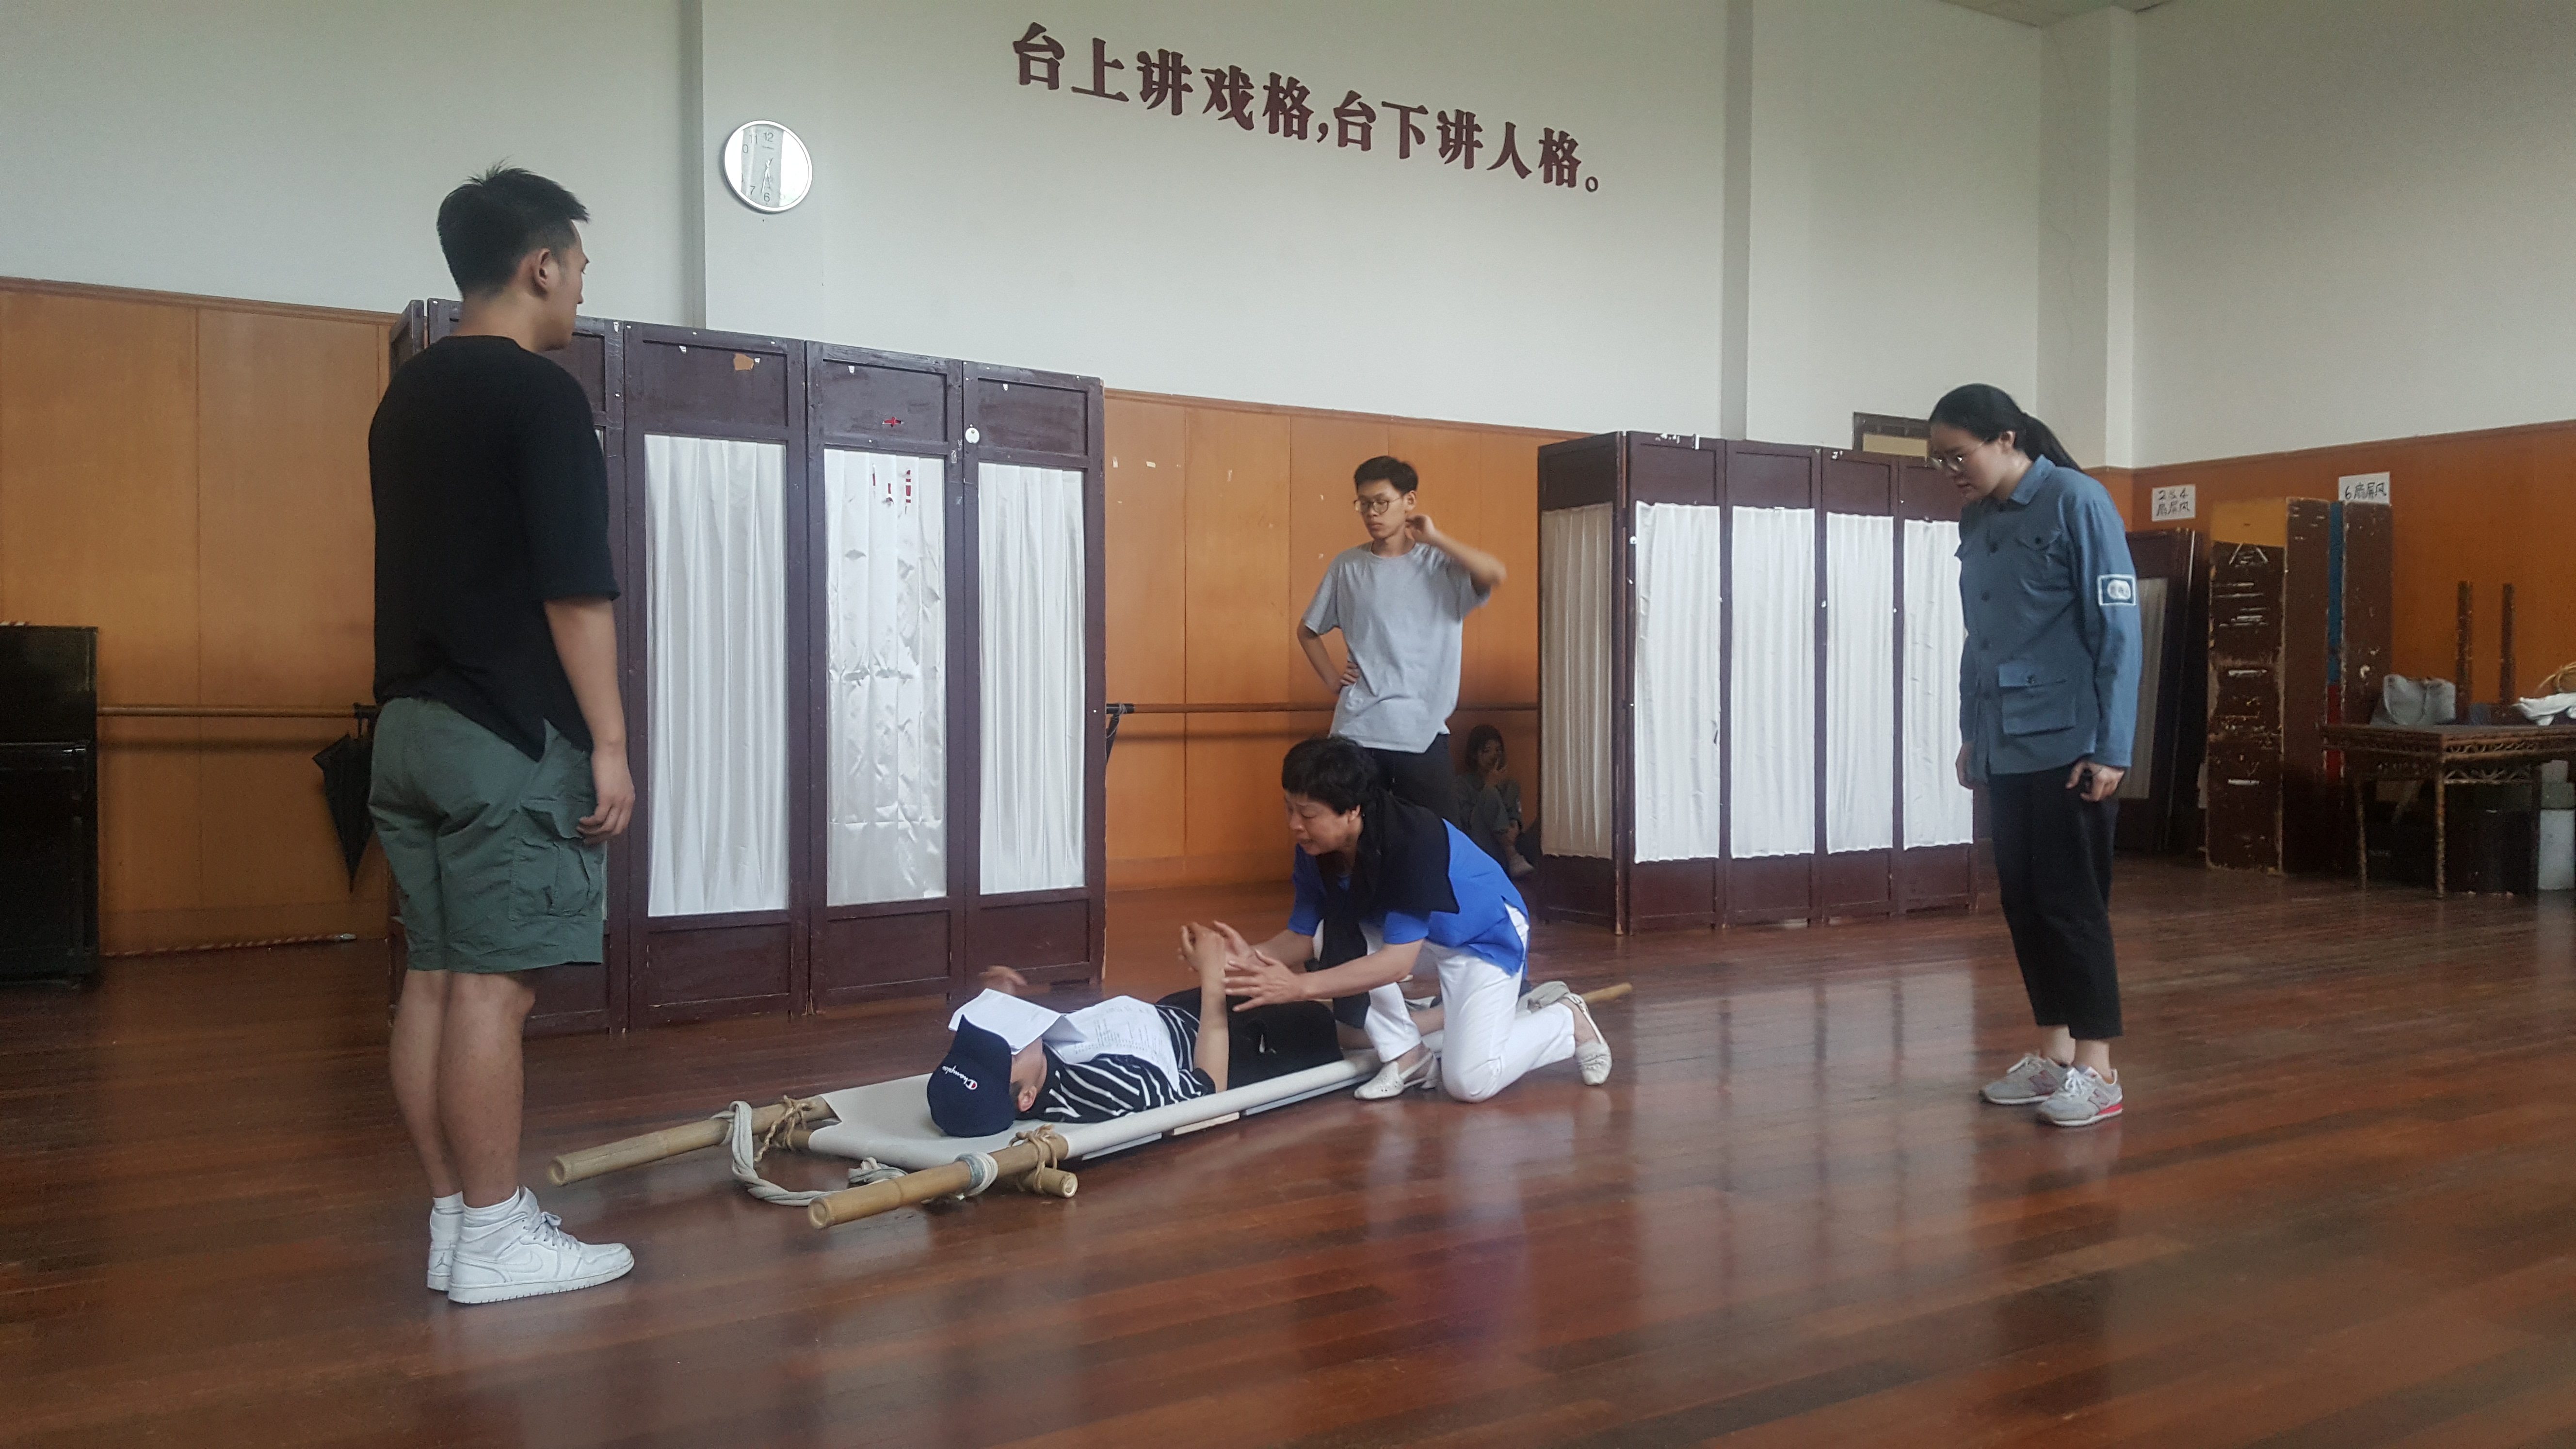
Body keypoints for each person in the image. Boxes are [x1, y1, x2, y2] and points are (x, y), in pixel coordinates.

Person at [370, 166, 635, 1304]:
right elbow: (574, 590)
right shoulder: (539, 396)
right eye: (577, 268)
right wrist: (609, 743)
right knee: (494, 992)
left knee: (433, 983)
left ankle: (455, 1221)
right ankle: (492, 1236)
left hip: (409, 728)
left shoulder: (407, 397)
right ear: (540, 264)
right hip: (504, 736)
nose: (579, 289)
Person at [1932, 383, 2141, 1129]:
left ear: (2007, 440)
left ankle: (2098, 1069)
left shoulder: (2078, 501)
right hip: (2006, 740)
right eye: (1939, 461)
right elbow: (1979, 638)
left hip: (2069, 743)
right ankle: (2054, 1056)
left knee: (2071, 906)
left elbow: (2118, 630)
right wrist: (1973, 731)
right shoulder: (1978, 517)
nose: (1951, 471)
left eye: (1959, 455)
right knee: (2024, 902)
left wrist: (2112, 748)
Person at [1222, 736, 1610, 1103]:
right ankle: (1409, 1057)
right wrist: (1241, 959)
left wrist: (1300, 987)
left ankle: (1566, 1019)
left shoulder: (1411, 840)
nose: (1294, 824)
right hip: (1419, 937)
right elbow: (1304, 936)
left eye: (1308, 814)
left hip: (1482, 936)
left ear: (1352, 810)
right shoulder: (1315, 849)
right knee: (1332, 933)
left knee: (1471, 1083)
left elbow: (1397, 964)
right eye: (1289, 808)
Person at [928, 935, 1342, 1136]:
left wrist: (1001, 995)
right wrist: (1213, 979)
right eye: (1012, 1049)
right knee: (1331, 1027)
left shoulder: (1030, 1070)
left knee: (1276, 981)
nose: (1010, 1031)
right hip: (1233, 1048)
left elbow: (998, 1043)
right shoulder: (1105, 1089)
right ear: (1027, 1099)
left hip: (1172, 1015)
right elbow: (1210, 1089)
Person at [1296, 456, 1508, 822]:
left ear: (1409, 501)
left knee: (1436, 836)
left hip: (1421, 731)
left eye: (1382, 502)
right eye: (1364, 504)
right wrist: (1331, 678)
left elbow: (1495, 573)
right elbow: (1308, 630)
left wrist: (1436, 538)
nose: (1372, 513)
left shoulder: (1439, 565)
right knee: (1356, 836)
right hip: (1357, 730)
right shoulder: (1347, 566)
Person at [1452, 724, 1537, 879]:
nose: (1494, 756)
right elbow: (1468, 823)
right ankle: (1512, 855)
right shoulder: (1461, 785)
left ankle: (1511, 853)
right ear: (1474, 755)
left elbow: (1515, 814)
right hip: (1479, 846)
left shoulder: (1509, 785)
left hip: (1505, 846)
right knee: (1490, 792)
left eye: (1498, 751)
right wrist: (1488, 787)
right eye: (1487, 751)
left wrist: (1514, 827)